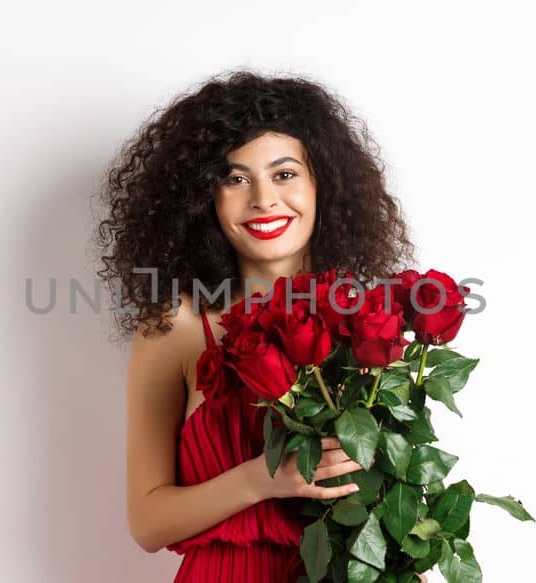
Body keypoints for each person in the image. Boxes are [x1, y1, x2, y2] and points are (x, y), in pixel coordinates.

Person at [97, 70, 419, 582]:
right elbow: (147, 522)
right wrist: (265, 479)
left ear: (323, 185)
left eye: (285, 174)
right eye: (235, 178)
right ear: (205, 198)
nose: (264, 199)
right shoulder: (177, 326)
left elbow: (397, 512)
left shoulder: (369, 325)